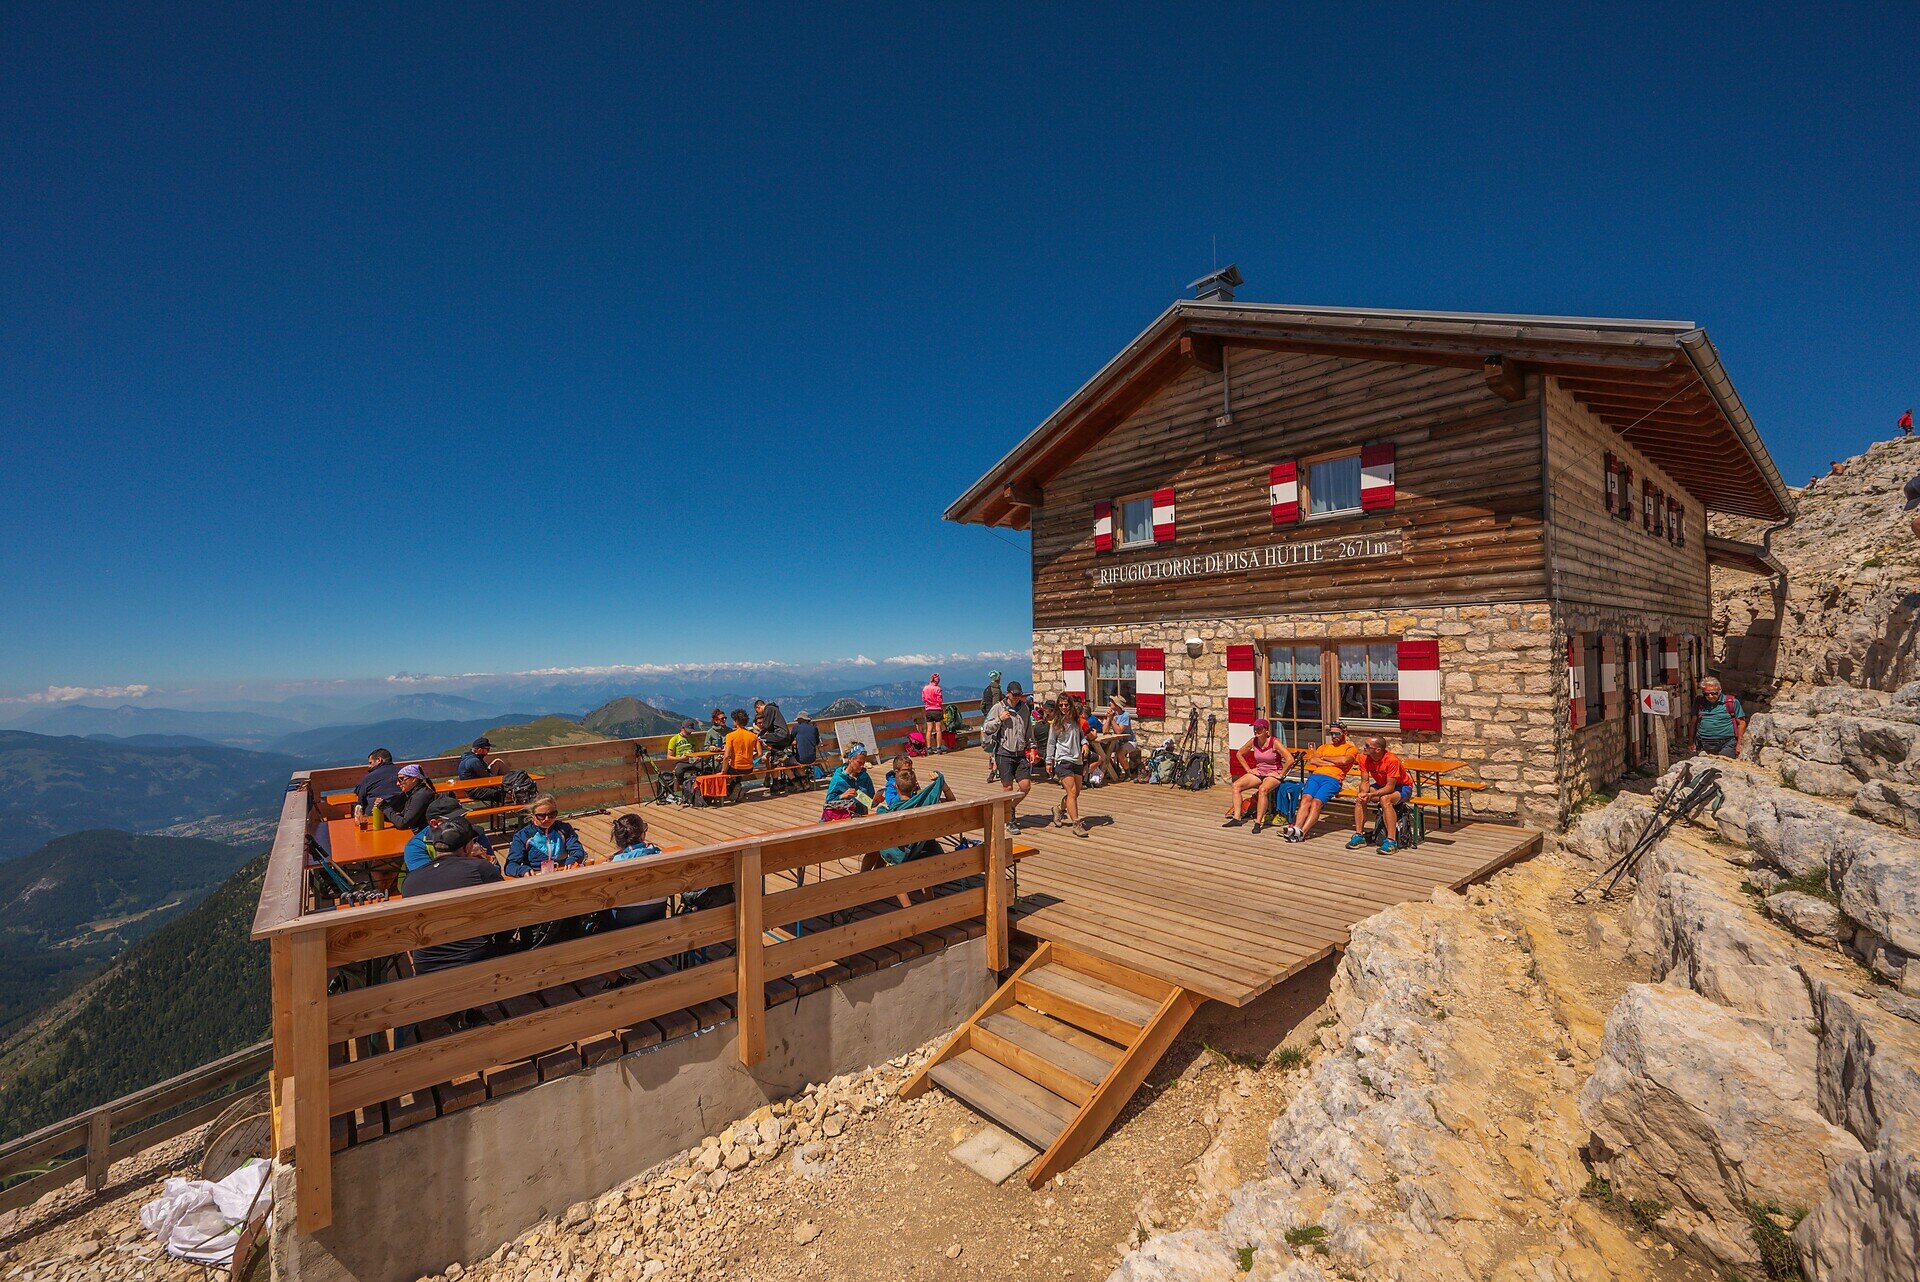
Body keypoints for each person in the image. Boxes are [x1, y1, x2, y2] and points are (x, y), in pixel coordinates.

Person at [401, 816, 503, 975]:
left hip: (426, 966)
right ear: (468, 847)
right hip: (475, 961)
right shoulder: (480, 868)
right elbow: (507, 908)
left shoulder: (410, 881)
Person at [1286, 722, 1361, 843]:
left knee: (1316, 803)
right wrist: (1333, 763)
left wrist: (1324, 758)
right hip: (1316, 776)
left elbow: (1344, 760)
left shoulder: (1350, 748)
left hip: (1333, 779)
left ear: (1345, 733)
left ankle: (1302, 833)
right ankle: (1297, 828)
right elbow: (1313, 760)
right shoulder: (1324, 747)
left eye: (1337, 733)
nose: (1334, 736)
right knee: (1305, 799)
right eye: (1332, 734)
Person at [1223, 719, 1294, 834]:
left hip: (1273, 773)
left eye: (1259, 729)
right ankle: (1237, 818)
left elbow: (1290, 759)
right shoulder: (1253, 741)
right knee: (1236, 785)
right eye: (1255, 728)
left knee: (1263, 789)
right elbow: (1239, 754)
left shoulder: (1274, 742)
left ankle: (1258, 822)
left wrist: (1281, 774)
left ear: (1266, 730)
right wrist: (1248, 770)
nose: (1256, 731)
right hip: (1259, 772)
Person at [982, 682, 1033, 838]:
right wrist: (1000, 719)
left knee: (1025, 786)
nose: (1017, 697)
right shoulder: (998, 707)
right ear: (1008, 693)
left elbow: (1028, 729)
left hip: (1020, 752)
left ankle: (1009, 808)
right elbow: (987, 728)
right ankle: (1009, 820)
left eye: (1019, 694)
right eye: (1014, 694)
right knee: (1007, 788)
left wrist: (1032, 747)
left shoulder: (1024, 709)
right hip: (1004, 752)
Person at [1348, 736, 1413, 854]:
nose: (1364, 747)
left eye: (1367, 746)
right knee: (1360, 798)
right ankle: (1359, 835)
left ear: (1378, 750)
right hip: (1381, 785)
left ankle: (1391, 841)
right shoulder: (1364, 758)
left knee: (1385, 799)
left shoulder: (1391, 760)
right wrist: (1364, 794)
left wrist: (1371, 795)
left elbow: (1390, 787)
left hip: (1402, 787)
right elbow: (1365, 781)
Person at [604, 813, 670, 929]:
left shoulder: (613, 865)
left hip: (623, 922)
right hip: (657, 915)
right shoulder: (660, 855)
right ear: (642, 835)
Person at [505, 795, 587, 876]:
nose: (547, 819)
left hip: (562, 873)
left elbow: (577, 850)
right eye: (541, 816)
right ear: (533, 815)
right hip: (535, 876)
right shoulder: (523, 835)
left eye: (552, 815)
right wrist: (522, 870)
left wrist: (574, 859)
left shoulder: (565, 829)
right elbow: (510, 866)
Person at [1046, 699, 1090, 837]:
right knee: (1072, 791)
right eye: (1061, 705)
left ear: (1070, 706)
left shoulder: (1076, 722)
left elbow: (1082, 736)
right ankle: (1076, 824)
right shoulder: (1056, 724)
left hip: (1077, 760)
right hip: (1063, 760)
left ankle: (1059, 809)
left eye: (1066, 705)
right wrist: (1048, 761)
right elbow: (1051, 743)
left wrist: (1085, 744)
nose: (1064, 707)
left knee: (1076, 793)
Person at [378, 763, 465, 832]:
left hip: (426, 832)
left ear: (414, 779)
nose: (398, 783)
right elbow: (403, 817)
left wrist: (385, 808)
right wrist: (385, 813)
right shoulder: (416, 793)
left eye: (401, 779)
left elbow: (403, 824)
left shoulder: (420, 796)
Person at [400, 812, 494, 872]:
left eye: (463, 817)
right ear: (435, 823)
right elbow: (427, 878)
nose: (462, 823)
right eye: (453, 821)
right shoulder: (415, 846)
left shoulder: (474, 833)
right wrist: (469, 859)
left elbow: (495, 869)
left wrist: (487, 859)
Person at [1694, 677, 1747, 758]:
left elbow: (1742, 723)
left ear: (1720, 690)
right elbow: (1693, 721)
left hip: (1727, 742)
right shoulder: (1699, 702)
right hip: (1703, 743)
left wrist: (1739, 744)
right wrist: (1691, 742)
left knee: (1723, 763)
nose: (1710, 696)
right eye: (1706, 694)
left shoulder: (1731, 702)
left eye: (1713, 693)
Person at [823, 745, 875, 820]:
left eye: (863, 763)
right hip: (842, 818)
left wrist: (875, 801)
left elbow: (868, 802)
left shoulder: (864, 777)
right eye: (859, 762)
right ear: (850, 759)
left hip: (861, 817)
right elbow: (828, 803)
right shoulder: (838, 778)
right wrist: (842, 796)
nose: (862, 766)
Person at [353, 748, 402, 816]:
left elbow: (361, 800)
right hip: (400, 814)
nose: (369, 766)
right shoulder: (403, 774)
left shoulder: (369, 777)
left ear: (379, 760)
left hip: (375, 815)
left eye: (370, 763)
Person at [458, 737, 502, 805]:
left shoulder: (471, 757)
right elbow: (487, 778)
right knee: (503, 795)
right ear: (480, 750)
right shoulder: (474, 761)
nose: (488, 752)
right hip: (475, 791)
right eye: (487, 749)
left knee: (498, 762)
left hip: (476, 787)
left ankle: (511, 785)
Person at [723, 709, 761, 780]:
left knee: (719, 769)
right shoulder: (753, 736)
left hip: (735, 768)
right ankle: (736, 783)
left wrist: (723, 771)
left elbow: (726, 756)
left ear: (736, 721)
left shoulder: (730, 736)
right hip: (749, 768)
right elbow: (760, 753)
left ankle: (733, 784)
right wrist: (752, 758)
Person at [980, 671, 1004, 780]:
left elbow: (982, 704)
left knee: (989, 740)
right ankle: (997, 768)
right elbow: (996, 705)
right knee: (996, 740)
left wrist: (986, 714)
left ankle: (991, 763)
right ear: (998, 678)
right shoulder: (996, 690)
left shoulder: (986, 689)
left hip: (987, 716)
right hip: (995, 717)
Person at [921, 673, 945, 755]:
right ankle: (938, 748)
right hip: (937, 710)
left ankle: (929, 748)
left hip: (928, 710)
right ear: (937, 680)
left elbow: (924, 699)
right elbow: (940, 701)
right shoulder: (938, 689)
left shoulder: (925, 688)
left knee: (929, 729)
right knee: (938, 729)